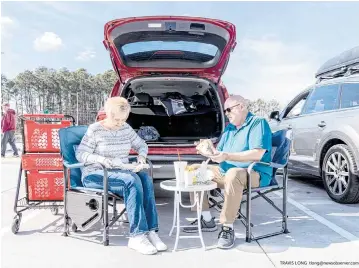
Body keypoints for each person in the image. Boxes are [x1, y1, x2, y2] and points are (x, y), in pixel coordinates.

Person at [76, 96, 167, 255]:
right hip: (96, 174)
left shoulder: (125, 128)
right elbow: (81, 154)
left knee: (145, 178)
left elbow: (141, 144)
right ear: (108, 113)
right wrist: (101, 159)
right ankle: (137, 236)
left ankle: (151, 231)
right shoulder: (95, 129)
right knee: (130, 181)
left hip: (120, 171)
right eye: (116, 119)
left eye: (123, 119)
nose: (119, 123)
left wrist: (141, 157)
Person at [183, 95, 273, 249]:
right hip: (225, 171)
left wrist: (227, 156)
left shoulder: (258, 123)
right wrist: (208, 151)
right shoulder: (230, 128)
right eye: (225, 111)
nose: (226, 113)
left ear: (242, 106)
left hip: (253, 173)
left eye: (229, 109)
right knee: (195, 170)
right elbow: (220, 155)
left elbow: (257, 154)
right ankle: (206, 219)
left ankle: (227, 227)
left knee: (233, 173)